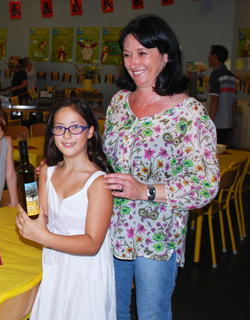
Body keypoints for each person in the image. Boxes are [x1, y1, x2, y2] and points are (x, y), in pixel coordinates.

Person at [102, 14, 219, 320]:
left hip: (155, 233)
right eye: (127, 54)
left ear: (165, 56)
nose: (133, 62)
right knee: (110, 311)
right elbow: (104, 160)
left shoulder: (190, 114)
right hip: (108, 228)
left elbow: (205, 184)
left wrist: (145, 190)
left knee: (153, 313)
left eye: (142, 53)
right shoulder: (118, 103)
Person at [16, 99, 116, 319]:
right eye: (60, 128)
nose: (67, 135)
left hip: (86, 273)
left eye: (75, 127)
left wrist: (43, 236)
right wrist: (28, 220)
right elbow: (40, 216)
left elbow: (92, 244)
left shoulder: (99, 183)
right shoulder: (47, 174)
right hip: (55, 267)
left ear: (90, 132)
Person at [208, 45, 237, 146]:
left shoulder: (215, 75)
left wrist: (210, 122)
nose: (208, 57)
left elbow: (215, 99)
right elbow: (234, 103)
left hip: (217, 124)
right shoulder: (232, 76)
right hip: (228, 125)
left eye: (210, 54)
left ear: (215, 56)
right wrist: (233, 123)